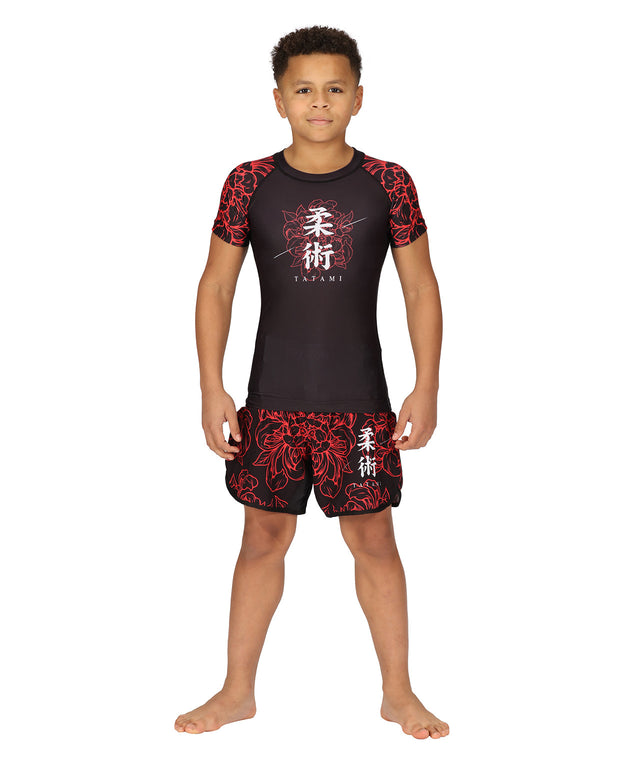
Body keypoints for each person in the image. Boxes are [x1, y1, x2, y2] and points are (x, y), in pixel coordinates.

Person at [174, 25, 448, 741]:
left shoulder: (388, 182)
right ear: (278, 100)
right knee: (261, 537)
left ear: (358, 98)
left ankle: (399, 693)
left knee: (375, 538)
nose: (318, 102)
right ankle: (236, 691)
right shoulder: (249, 182)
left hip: (358, 402)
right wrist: (212, 387)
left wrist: (425, 386)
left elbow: (420, 288)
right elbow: (216, 287)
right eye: (303, 89)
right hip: (273, 399)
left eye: (334, 89)